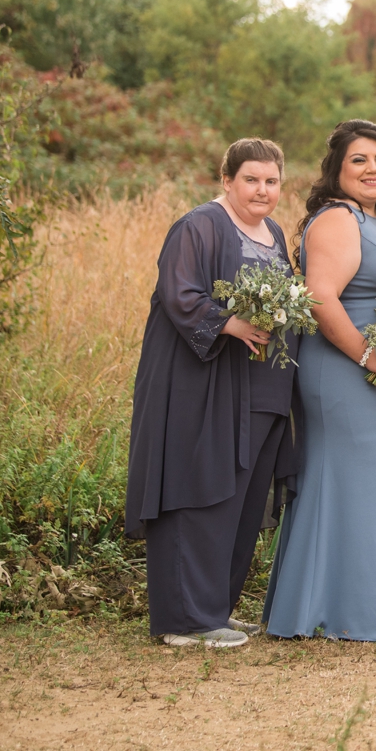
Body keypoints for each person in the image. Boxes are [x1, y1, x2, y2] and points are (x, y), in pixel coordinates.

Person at [127, 139, 300, 648]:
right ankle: (184, 621)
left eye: (271, 181)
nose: (261, 190)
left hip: (263, 384)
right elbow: (179, 294)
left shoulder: (273, 232)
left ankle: (214, 610)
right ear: (227, 179)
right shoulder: (198, 225)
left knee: (241, 500)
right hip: (205, 385)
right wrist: (230, 323)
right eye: (251, 179)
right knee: (201, 492)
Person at [263, 120, 376, 641]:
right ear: (336, 169)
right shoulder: (336, 218)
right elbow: (321, 296)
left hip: (369, 369)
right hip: (341, 366)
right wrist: (366, 353)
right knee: (354, 473)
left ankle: (337, 602)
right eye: (359, 160)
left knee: (357, 476)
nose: (372, 169)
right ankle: (353, 610)